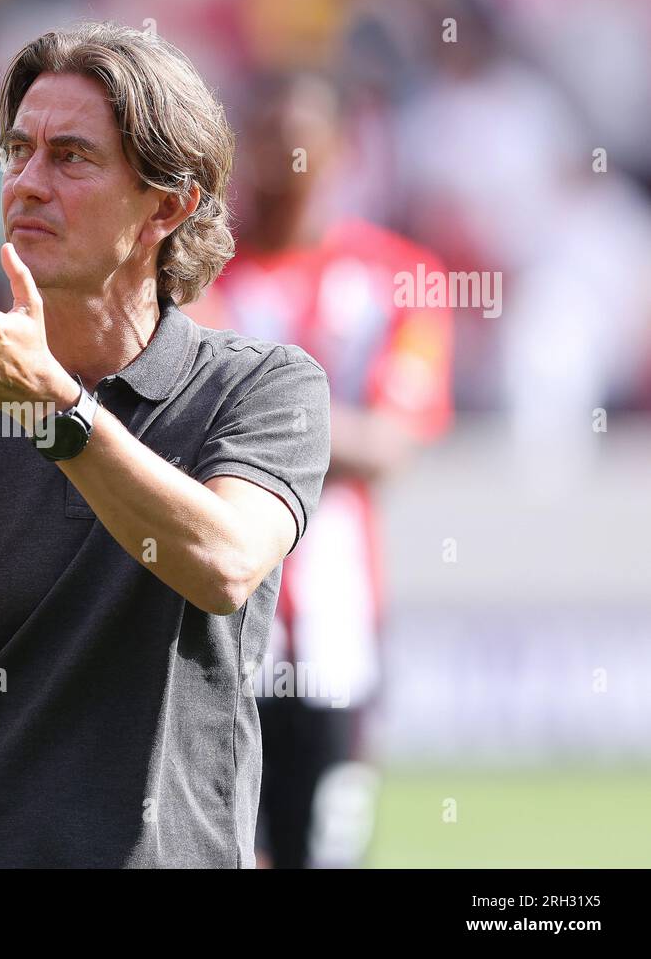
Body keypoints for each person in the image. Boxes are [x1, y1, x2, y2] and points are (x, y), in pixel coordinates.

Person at [0, 21, 332, 868]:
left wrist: (54, 411)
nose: (27, 183)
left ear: (169, 204)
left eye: (72, 157)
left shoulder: (259, 386)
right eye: (17, 151)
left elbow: (224, 564)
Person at [194, 74, 454, 868]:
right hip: (214, 621)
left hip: (338, 630)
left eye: (303, 137)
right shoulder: (197, 277)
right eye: (267, 139)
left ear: (343, 146)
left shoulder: (396, 276)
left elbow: (390, 447)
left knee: (327, 851)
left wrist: (242, 409)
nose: (285, 159)